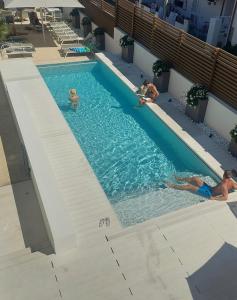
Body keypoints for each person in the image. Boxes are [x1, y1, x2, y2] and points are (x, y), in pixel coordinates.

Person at [167, 170, 237, 201]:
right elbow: (235, 186)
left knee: (189, 187)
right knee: (196, 178)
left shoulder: (224, 185)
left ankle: (172, 186)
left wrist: (214, 198)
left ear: (224, 175)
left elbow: (225, 197)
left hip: (209, 193)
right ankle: (179, 179)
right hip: (209, 188)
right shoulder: (231, 182)